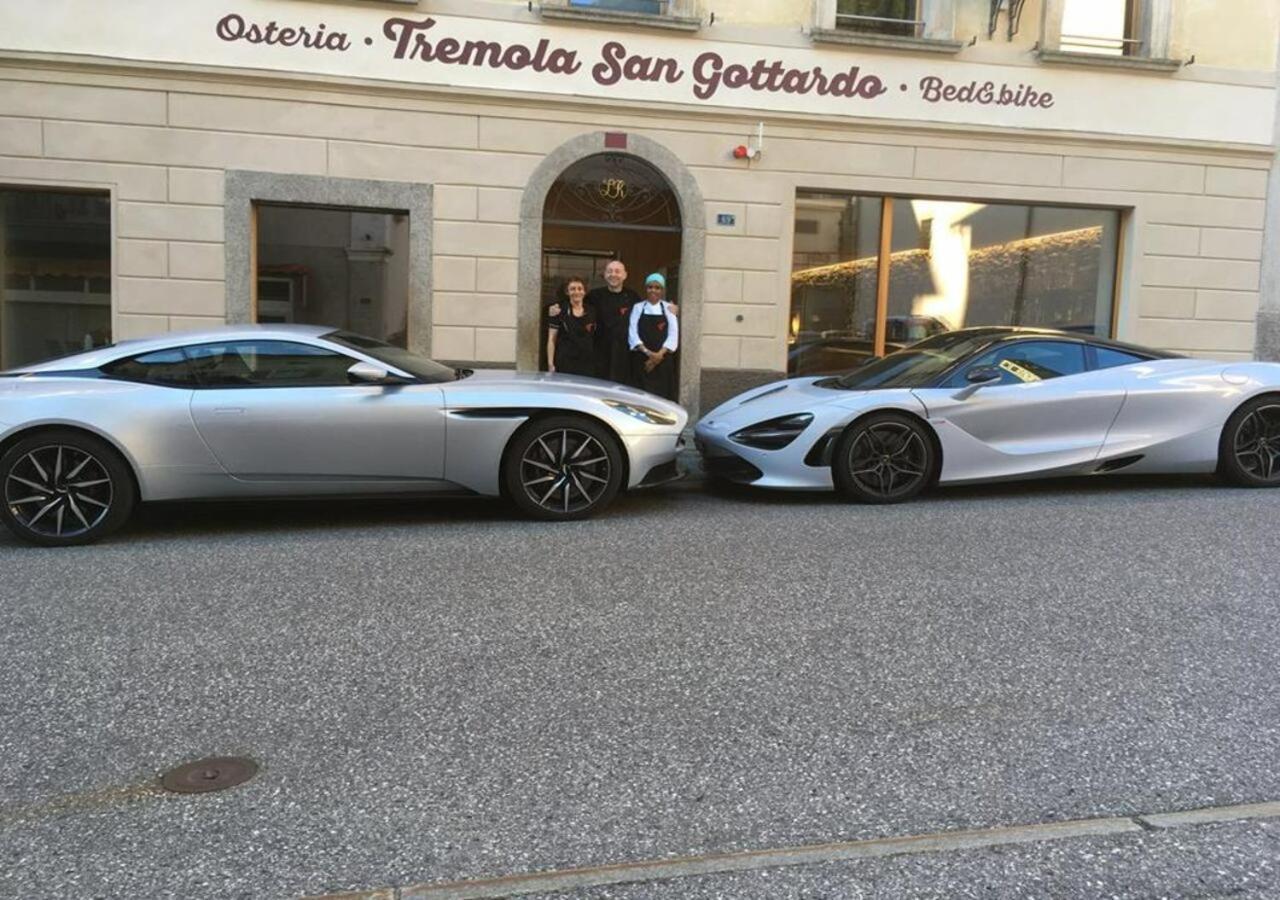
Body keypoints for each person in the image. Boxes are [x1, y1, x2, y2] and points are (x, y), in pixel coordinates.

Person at [628, 273, 679, 400]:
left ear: (662, 290)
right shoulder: (638, 307)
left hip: (663, 361)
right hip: (643, 361)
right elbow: (632, 332)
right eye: (650, 287)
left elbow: (673, 333)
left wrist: (659, 355)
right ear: (646, 289)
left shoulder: (669, 307)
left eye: (657, 287)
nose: (653, 290)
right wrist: (648, 353)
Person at [546, 276, 598, 377]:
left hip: (587, 362)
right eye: (572, 289)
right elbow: (551, 339)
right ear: (567, 292)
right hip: (565, 361)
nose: (576, 292)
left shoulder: (592, 311)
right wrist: (550, 364)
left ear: (584, 292)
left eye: (580, 288)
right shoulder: (558, 310)